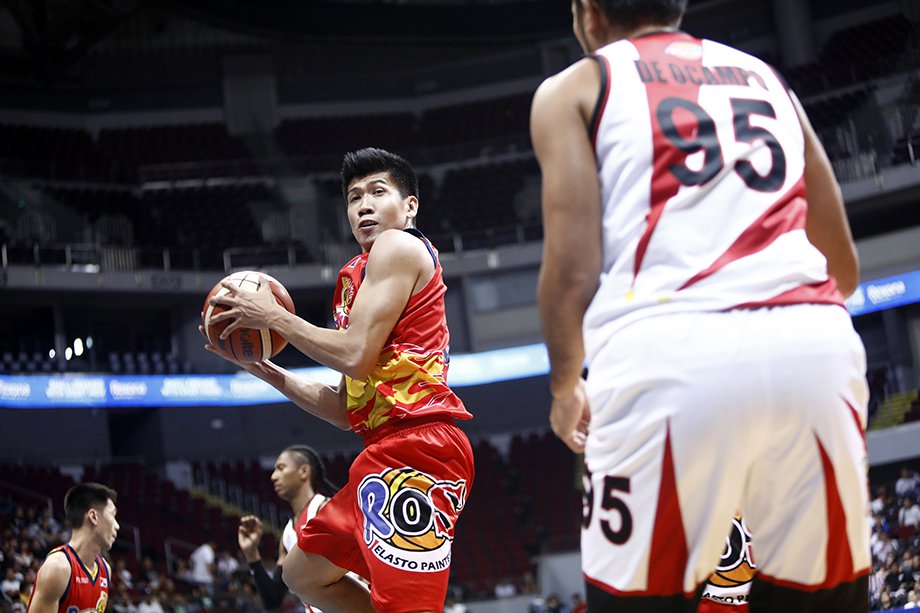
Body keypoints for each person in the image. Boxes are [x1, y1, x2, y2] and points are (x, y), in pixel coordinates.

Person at [531, 1, 869, 610]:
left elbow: (572, 271)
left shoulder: (578, 85)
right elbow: (841, 264)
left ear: (588, 13)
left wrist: (563, 389)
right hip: (815, 341)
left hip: (665, 350)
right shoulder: (766, 76)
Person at [202, 147, 475, 613]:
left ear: (409, 206)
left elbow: (353, 353)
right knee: (300, 572)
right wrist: (265, 368)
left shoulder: (398, 245)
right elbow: (344, 410)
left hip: (419, 451)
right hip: (382, 448)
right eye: (353, 198)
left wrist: (274, 318)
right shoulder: (356, 274)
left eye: (377, 191)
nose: (363, 205)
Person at [238, 445, 338, 611]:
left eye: (281, 468)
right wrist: (251, 553)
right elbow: (272, 600)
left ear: (304, 471)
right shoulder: (288, 533)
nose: (273, 476)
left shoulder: (326, 509)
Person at [27, 483, 119, 613]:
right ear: (93, 516)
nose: (117, 526)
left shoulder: (105, 570)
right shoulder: (58, 568)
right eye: (113, 515)